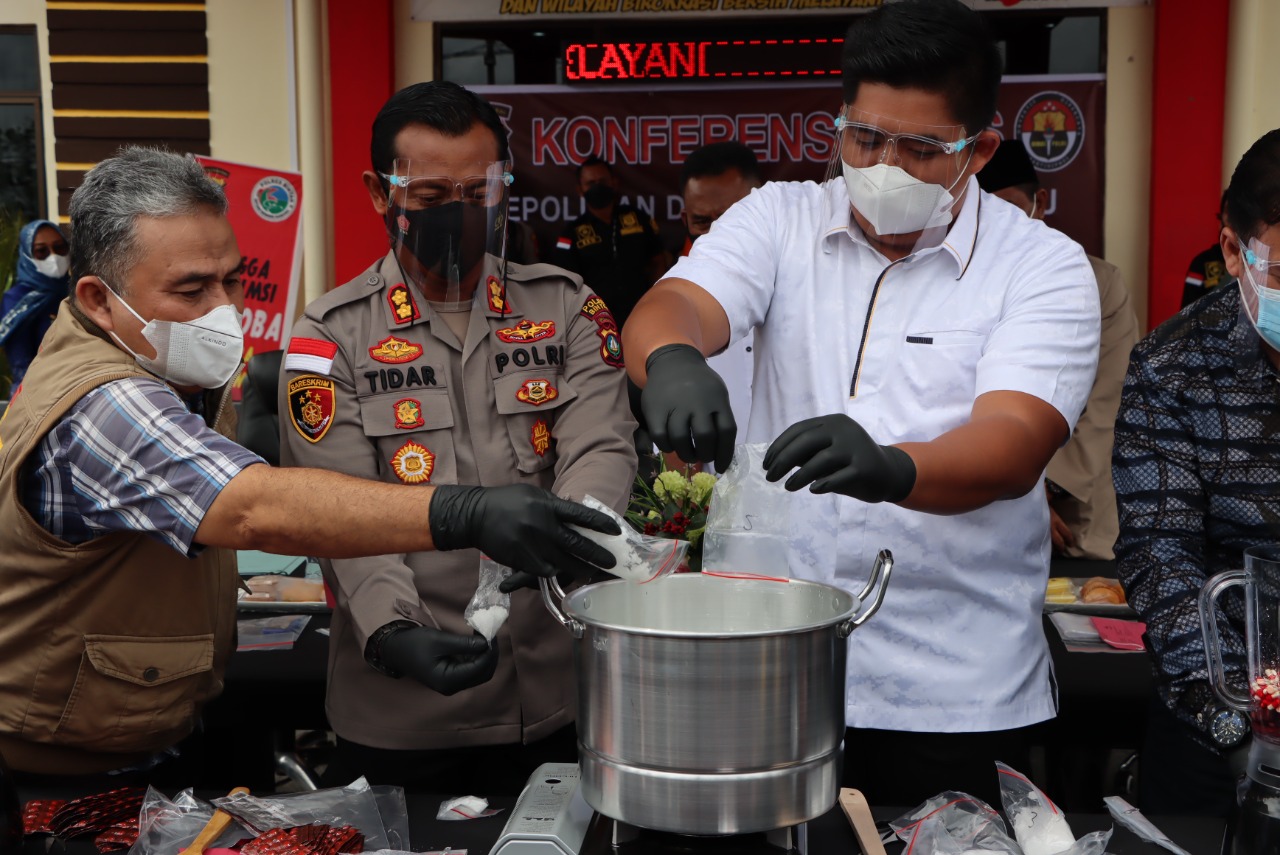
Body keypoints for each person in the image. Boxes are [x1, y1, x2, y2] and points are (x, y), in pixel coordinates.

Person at [0, 147, 621, 781]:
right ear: (99, 300)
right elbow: (255, 509)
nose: (223, 310)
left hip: (149, 727)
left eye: (231, 280)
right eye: (192, 289)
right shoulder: (106, 404)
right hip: (71, 768)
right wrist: (467, 510)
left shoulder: (163, 367)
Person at [623, 0, 1100, 807]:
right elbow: (678, 304)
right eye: (863, 137)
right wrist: (670, 360)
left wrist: (893, 467)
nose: (882, 165)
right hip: (770, 667)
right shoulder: (779, 218)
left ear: (979, 149)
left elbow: (1015, 440)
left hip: (951, 687)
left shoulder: (1042, 268)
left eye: (919, 149)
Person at [278, 81, 638, 792]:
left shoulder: (567, 306)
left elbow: (601, 445)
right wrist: (392, 631)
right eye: (432, 193)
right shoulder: (328, 338)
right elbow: (335, 506)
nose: (460, 212)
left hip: (567, 694)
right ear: (380, 194)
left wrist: (572, 540)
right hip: (405, 712)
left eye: (479, 193)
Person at [1113, 129, 1280, 817]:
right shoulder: (1173, 366)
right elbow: (1161, 552)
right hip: (1221, 718)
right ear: (1234, 250)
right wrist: (1243, 722)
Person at [978, 139, 1140, 561]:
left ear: (1040, 202)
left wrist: (1040, 489)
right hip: (977, 499)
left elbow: (1110, 401)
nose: (1000, 224)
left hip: (1076, 508)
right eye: (984, 210)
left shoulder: (1099, 284)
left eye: (1010, 207)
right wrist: (1009, 491)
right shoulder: (956, 285)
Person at [682, 142, 764, 457]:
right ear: (684, 218)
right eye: (703, 221)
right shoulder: (671, 305)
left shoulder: (816, 288)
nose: (720, 235)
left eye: (734, 217)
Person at [553, 155, 668, 330]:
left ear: (614, 182)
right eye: (590, 183)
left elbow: (658, 260)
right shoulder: (571, 232)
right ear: (580, 190)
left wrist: (657, 297)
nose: (597, 187)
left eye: (602, 181)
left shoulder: (637, 218)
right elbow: (567, 282)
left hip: (643, 313)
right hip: (595, 321)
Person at [0, 220, 70, 390]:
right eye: (41, 251)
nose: (53, 256)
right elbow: (21, 364)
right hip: (38, 393)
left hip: (84, 385)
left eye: (59, 247)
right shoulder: (18, 299)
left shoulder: (77, 289)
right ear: (27, 255)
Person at [1182, 197, 1231, 308]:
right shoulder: (1201, 263)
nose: (1234, 218)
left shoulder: (1260, 262)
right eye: (1229, 212)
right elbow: (1187, 316)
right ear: (1221, 218)